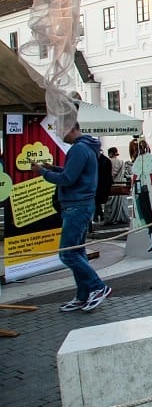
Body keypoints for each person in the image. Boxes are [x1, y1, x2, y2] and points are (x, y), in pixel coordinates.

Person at [32, 123, 112, 312]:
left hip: (76, 206)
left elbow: (68, 179)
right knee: (77, 252)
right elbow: (75, 174)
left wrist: (43, 172)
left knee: (67, 253)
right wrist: (56, 168)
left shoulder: (78, 149)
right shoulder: (88, 147)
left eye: (61, 132)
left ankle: (98, 287)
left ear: (71, 129)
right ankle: (82, 296)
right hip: (81, 205)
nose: (60, 136)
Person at [102, 146, 129, 225]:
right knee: (120, 203)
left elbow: (109, 174)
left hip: (111, 185)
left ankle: (110, 219)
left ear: (110, 153)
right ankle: (121, 217)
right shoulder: (121, 162)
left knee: (109, 204)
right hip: (120, 184)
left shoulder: (108, 161)